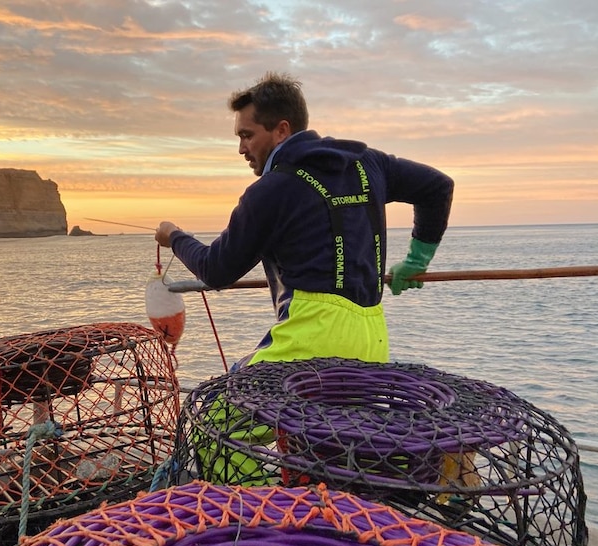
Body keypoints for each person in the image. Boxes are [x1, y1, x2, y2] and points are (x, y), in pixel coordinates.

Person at [156, 71, 453, 367]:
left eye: (247, 135)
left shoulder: (272, 190)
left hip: (308, 348)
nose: (241, 148)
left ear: (282, 130)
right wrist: (417, 259)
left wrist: (175, 237)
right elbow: (437, 187)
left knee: (220, 409)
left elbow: (215, 270)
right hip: (371, 341)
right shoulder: (367, 163)